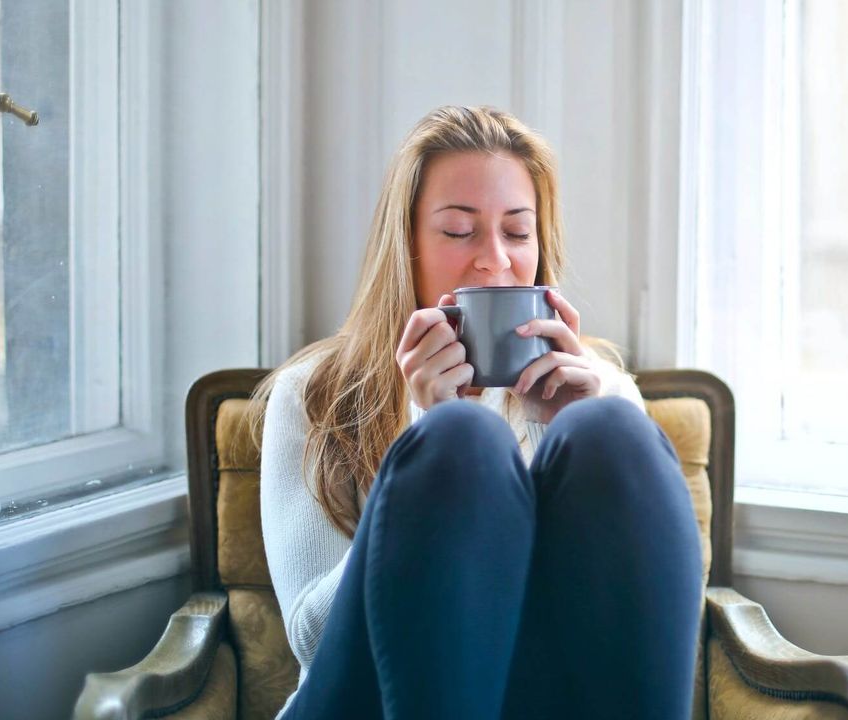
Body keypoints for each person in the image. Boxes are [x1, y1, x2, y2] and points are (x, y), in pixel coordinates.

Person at [250, 105, 704, 720]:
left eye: (517, 232)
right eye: (459, 231)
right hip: (360, 703)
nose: (494, 259)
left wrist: (557, 428)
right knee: (459, 440)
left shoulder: (600, 390)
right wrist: (424, 430)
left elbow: (645, 628)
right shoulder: (313, 393)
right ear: (405, 245)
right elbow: (310, 638)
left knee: (612, 428)